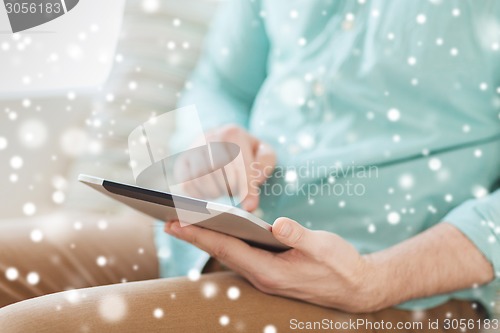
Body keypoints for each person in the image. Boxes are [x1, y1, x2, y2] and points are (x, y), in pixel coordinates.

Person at [0, 0, 499, 332]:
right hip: (223, 233)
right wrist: (219, 137)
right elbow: (224, 81)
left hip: (399, 284)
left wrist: (377, 280)